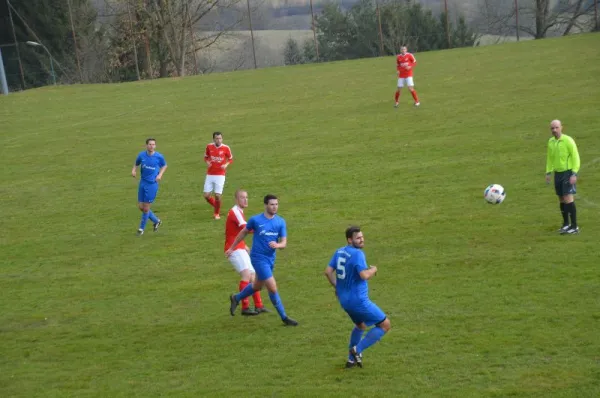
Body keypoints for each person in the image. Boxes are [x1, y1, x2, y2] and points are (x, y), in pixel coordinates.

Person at [226, 194, 298, 326]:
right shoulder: (256, 220)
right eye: (272, 204)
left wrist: (278, 245)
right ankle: (284, 317)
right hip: (258, 258)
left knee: (257, 285)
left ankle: (236, 298)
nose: (274, 207)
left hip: (270, 259)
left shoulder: (280, 222)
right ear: (265, 205)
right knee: (272, 287)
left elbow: (284, 243)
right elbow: (243, 233)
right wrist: (232, 247)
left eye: (276, 204)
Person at [324, 226, 391, 368]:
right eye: (358, 238)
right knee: (385, 325)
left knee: (360, 325)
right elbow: (364, 275)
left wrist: (337, 286)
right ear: (350, 240)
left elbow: (328, 272)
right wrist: (374, 269)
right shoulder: (358, 254)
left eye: (362, 237)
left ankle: (350, 360)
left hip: (344, 300)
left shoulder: (339, 252)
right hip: (359, 301)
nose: (361, 240)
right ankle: (356, 350)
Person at [225, 189, 269, 315]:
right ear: (236, 199)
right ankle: (244, 307)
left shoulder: (239, 211)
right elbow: (247, 229)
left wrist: (244, 245)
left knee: (254, 277)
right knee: (247, 275)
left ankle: (259, 305)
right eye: (242, 197)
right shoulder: (235, 212)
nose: (245, 199)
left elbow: (236, 232)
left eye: (246, 197)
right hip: (233, 249)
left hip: (239, 247)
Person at [546, 119, 581, 234]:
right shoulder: (551, 142)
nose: (554, 130)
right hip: (558, 173)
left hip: (568, 172)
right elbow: (550, 158)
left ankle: (574, 226)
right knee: (561, 198)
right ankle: (566, 224)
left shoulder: (568, 140)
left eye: (556, 127)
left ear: (562, 127)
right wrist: (548, 172)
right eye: (552, 128)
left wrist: (574, 173)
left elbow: (575, 157)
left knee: (568, 198)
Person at [131, 138, 167, 236]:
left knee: (146, 208)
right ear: (146, 145)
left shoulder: (159, 157)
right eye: (150, 144)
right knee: (141, 207)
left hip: (152, 185)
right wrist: (134, 170)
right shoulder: (141, 155)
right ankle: (156, 221)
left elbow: (164, 166)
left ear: (155, 146)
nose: (152, 146)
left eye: (153, 144)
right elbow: (136, 163)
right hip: (142, 183)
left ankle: (141, 229)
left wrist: (160, 175)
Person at [203, 132, 233, 220]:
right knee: (206, 196)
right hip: (210, 174)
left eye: (220, 138)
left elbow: (231, 159)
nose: (218, 140)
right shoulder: (209, 146)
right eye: (217, 138)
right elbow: (205, 157)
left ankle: (216, 213)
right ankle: (217, 206)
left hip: (220, 175)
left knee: (217, 195)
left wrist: (226, 164)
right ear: (213, 139)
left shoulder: (226, 148)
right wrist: (207, 162)